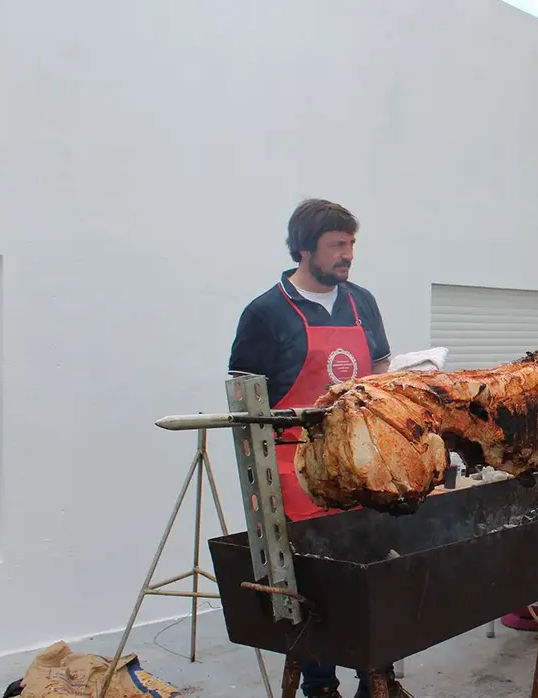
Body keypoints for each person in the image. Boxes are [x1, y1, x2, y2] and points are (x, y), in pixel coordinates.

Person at [228, 198, 393, 698]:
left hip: (359, 465)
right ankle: (320, 685)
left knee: (370, 576)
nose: (347, 256)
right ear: (305, 249)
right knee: (315, 587)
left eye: (351, 245)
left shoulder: (361, 301)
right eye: (337, 245)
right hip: (294, 474)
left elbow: (381, 367)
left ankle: (375, 678)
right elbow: (244, 399)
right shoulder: (266, 312)